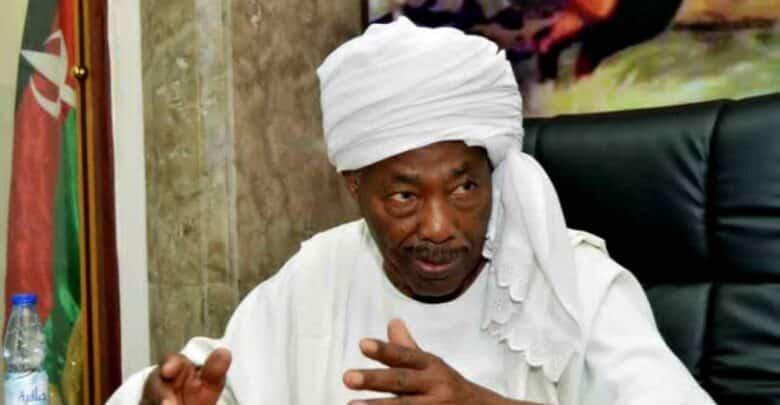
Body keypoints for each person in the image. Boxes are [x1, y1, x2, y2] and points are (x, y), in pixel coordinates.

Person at [109, 17, 715, 405]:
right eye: (404, 196)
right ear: (354, 186)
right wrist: (158, 401)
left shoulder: (578, 282)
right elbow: (216, 386)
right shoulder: (319, 274)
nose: (439, 226)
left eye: (464, 188)